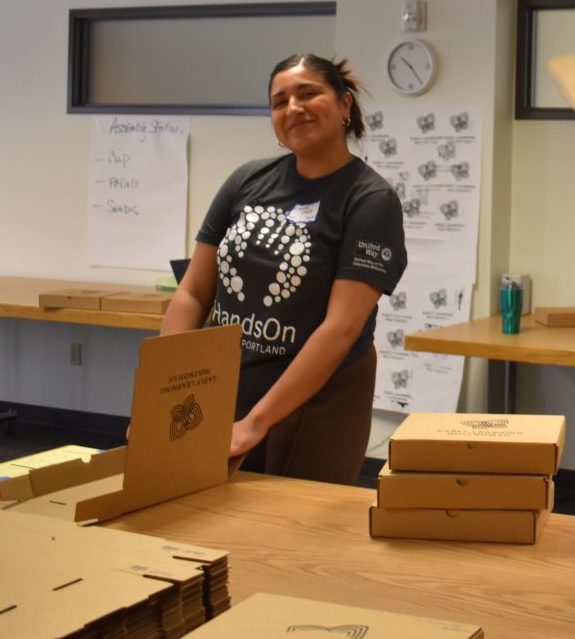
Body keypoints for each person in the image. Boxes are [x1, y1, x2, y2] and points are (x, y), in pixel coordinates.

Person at [162, 53, 407, 486]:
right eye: (279, 101)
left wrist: (257, 422)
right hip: (226, 385)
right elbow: (194, 293)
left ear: (345, 105)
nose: (293, 108)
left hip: (315, 402)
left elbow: (340, 329)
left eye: (308, 93)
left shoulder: (369, 201)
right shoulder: (246, 180)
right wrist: (163, 394)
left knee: (286, 540)